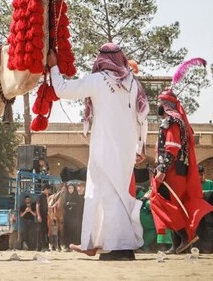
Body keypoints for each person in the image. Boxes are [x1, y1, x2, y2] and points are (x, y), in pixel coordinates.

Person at [48, 44, 149, 261]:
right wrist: (141, 146)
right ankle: (96, 242)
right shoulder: (133, 82)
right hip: (125, 148)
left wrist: (54, 67)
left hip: (106, 145)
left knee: (110, 194)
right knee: (106, 192)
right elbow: (143, 115)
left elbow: (63, 89)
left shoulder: (98, 80)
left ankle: (120, 247)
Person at [149, 89, 213, 254]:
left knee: (160, 201)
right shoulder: (178, 120)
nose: (157, 105)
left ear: (165, 104)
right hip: (177, 170)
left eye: (159, 102)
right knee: (175, 204)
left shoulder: (171, 121)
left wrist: (163, 170)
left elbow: (172, 147)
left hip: (172, 170)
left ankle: (185, 235)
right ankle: (178, 244)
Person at [62, 184, 83, 250]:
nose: (70, 190)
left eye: (71, 188)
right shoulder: (66, 196)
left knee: (75, 231)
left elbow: (80, 205)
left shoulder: (77, 197)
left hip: (75, 217)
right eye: (69, 188)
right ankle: (67, 245)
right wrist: (67, 205)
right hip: (68, 217)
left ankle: (75, 245)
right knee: (67, 231)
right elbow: (63, 206)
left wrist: (71, 204)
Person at [35, 183, 51, 252]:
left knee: (46, 231)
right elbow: (37, 206)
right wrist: (39, 215)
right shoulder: (40, 196)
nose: (49, 191)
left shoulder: (49, 196)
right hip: (41, 216)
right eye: (49, 189)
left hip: (47, 216)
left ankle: (45, 246)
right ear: (45, 189)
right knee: (41, 231)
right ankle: (42, 247)